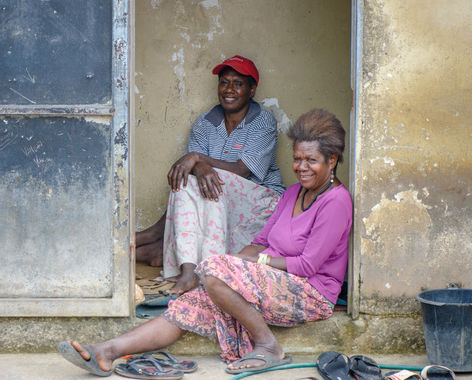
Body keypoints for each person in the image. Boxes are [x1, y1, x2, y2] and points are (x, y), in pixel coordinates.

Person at [58, 108, 353, 376]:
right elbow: (261, 241)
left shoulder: (336, 202)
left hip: (310, 293)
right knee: (191, 303)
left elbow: (306, 265)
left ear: (332, 160)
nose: (301, 167)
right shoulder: (293, 193)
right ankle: (106, 351)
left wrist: (242, 266)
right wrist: (234, 265)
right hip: (272, 280)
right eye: (298, 158)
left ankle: (268, 347)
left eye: (311, 160)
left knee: (213, 272)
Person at [136, 55, 285, 295]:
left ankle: (157, 239)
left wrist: (198, 159)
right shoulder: (205, 123)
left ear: (252, 89)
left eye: (238, 83)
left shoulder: (263, 122)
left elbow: (241, 171)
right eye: (224, 82)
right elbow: (190, 170)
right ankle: (187, 272)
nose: (229, 89)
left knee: (210, 181)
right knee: (190, 180)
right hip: (218, 205)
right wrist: (197, 163)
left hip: (262, 207)